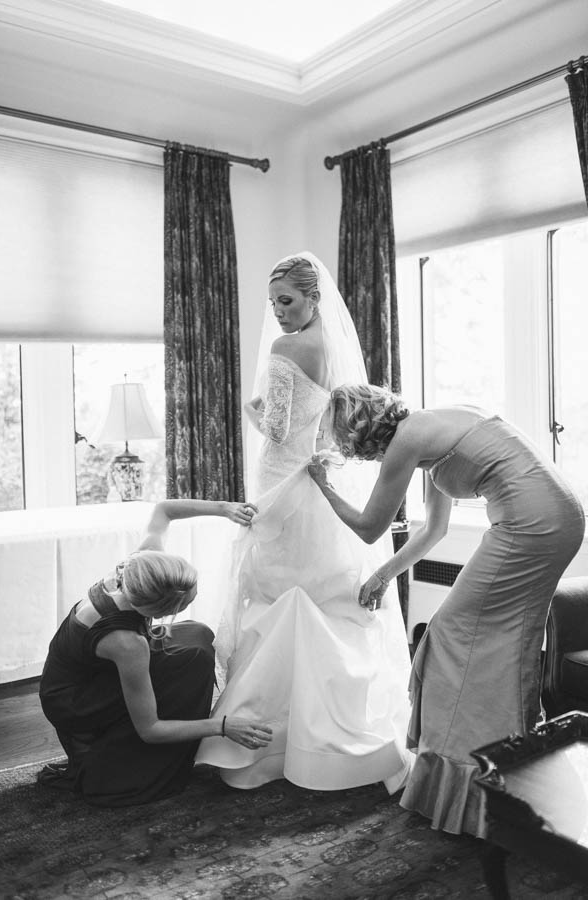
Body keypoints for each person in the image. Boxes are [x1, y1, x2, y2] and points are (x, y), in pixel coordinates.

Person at [307, 384, 585, 836]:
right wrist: (383, 577)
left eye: (344, 441)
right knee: (508, 642)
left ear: (360, 430)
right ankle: (515, 767)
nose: (352, 452)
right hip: (560, 516)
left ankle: (482, 777)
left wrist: (324, 485)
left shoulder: (408, 441)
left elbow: (368, 527)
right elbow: (435, 530)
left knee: (452, 633)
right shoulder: (432, 429)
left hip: (531, 524)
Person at [195, 253, 412, 792]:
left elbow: (274, 427)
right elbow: (323, 425)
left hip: (283, 483)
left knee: (279, 593)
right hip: (319, 479)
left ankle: (272, 738)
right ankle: (336, 735)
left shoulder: (286, 348)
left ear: (314, 299)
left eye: (287, 302)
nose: (280, 313)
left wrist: (251, 408)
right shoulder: (333, 349)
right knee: (323, 593)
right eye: (274, 304)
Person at [38, 498, 272, 807]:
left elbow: (164, 509)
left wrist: (224, 509)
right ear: (156, 609)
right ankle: (105, 756)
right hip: (74, 701)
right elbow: (150, 730)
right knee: (190, 660)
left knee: (198, 637)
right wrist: (224, 726)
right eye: (181, 606)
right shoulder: (126, 643)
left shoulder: (141, 568)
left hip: (89, 672)